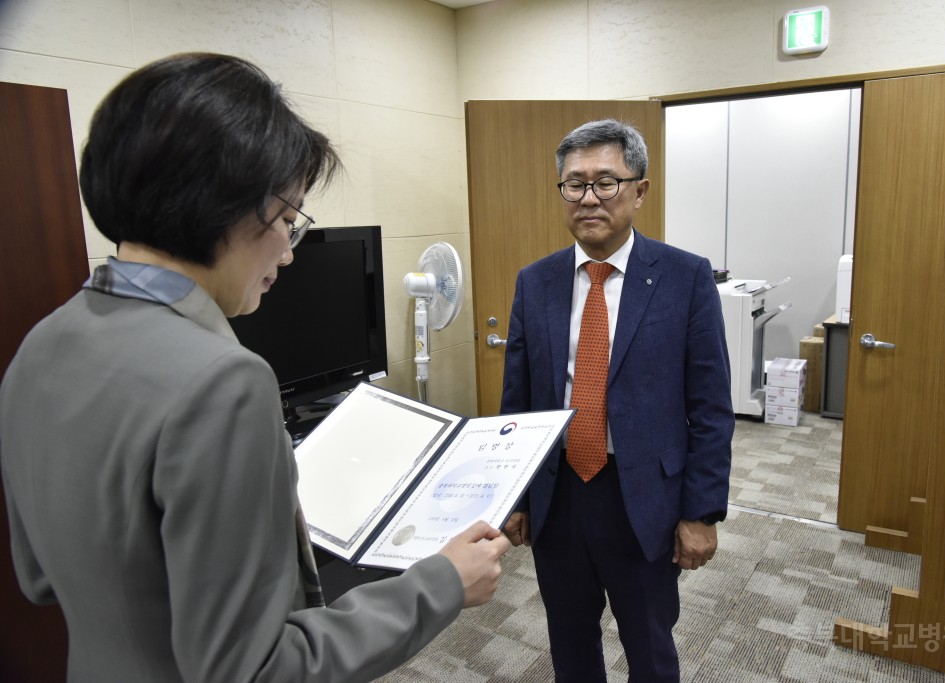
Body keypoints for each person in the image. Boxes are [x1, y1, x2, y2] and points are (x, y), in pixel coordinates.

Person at [0, 52, 510, 682]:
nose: (289, 256)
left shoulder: (41, 344)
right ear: (229, 205)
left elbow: (39, 577)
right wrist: (442, 583)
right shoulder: (222, 382)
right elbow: (255, 670)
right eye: (290, 220)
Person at [500, 118, 734, 681]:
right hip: (559, 498)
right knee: (570, 644)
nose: (588, 198)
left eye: (605, 182)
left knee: (650, 647)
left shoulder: (685, 277)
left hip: (645, 500)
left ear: (639, 190)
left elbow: (710, 408)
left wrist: (700, 512)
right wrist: (514, 494)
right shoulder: (536, 282)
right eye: (574, 184)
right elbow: (520, 401)